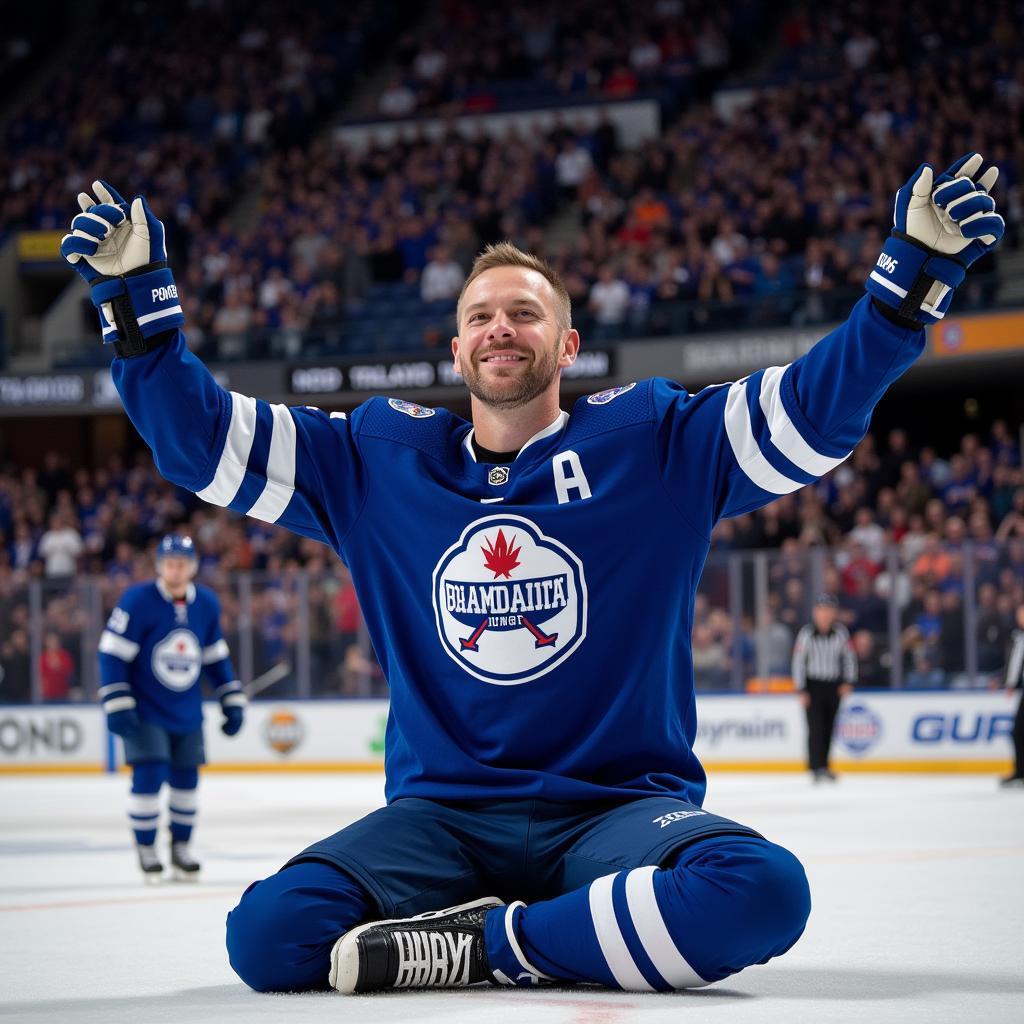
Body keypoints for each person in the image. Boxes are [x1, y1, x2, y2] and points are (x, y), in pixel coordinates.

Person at [60, 153, 1003, 993]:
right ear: (456, 347)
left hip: (616, 812)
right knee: (266, 939)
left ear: (568, 345)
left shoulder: (658, 443)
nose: (500, 328)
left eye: (524, 312)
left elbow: (812, 413)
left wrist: (904, 285)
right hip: (442, 820)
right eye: (480, 316)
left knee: (761, 892)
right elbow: (202, 443)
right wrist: (137, 311)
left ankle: (485, 945)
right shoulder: (376, 458)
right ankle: (533, 936)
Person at [97, 535, 247, 881]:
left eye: (181, 563)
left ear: (192, 566)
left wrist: (230, 695)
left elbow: (213, 656)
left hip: (187, 711)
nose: (174, 569)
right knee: (149, 776)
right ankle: (147, 848)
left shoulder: (206, 603)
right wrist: (117, 699)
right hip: (146, 709)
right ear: (159, 566)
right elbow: (111, 652)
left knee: (186, 781)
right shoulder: (137, 600)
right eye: (168, 563)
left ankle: (181, 848)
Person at [792, 595, 857, 782]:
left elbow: (849, 658)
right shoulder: (806, 634)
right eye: (821, 610)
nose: (824, 614)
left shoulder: (840, 633)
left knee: (829, 726)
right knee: (815, 726)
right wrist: (801, 689)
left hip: (833, 685)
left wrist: (848, 681)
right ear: (815, 612)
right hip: (813, 686)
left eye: (828, 610)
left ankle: (825, 765)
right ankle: (815, 767)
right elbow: (798, 662)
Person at [1000, 604, 1024, 788]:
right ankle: (1019, 771)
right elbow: (1015, 662)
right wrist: (1010, 682)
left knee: (1018, 730)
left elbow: (1017, 662)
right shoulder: (1018, 637)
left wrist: (1011, 683)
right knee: (1018, 731)